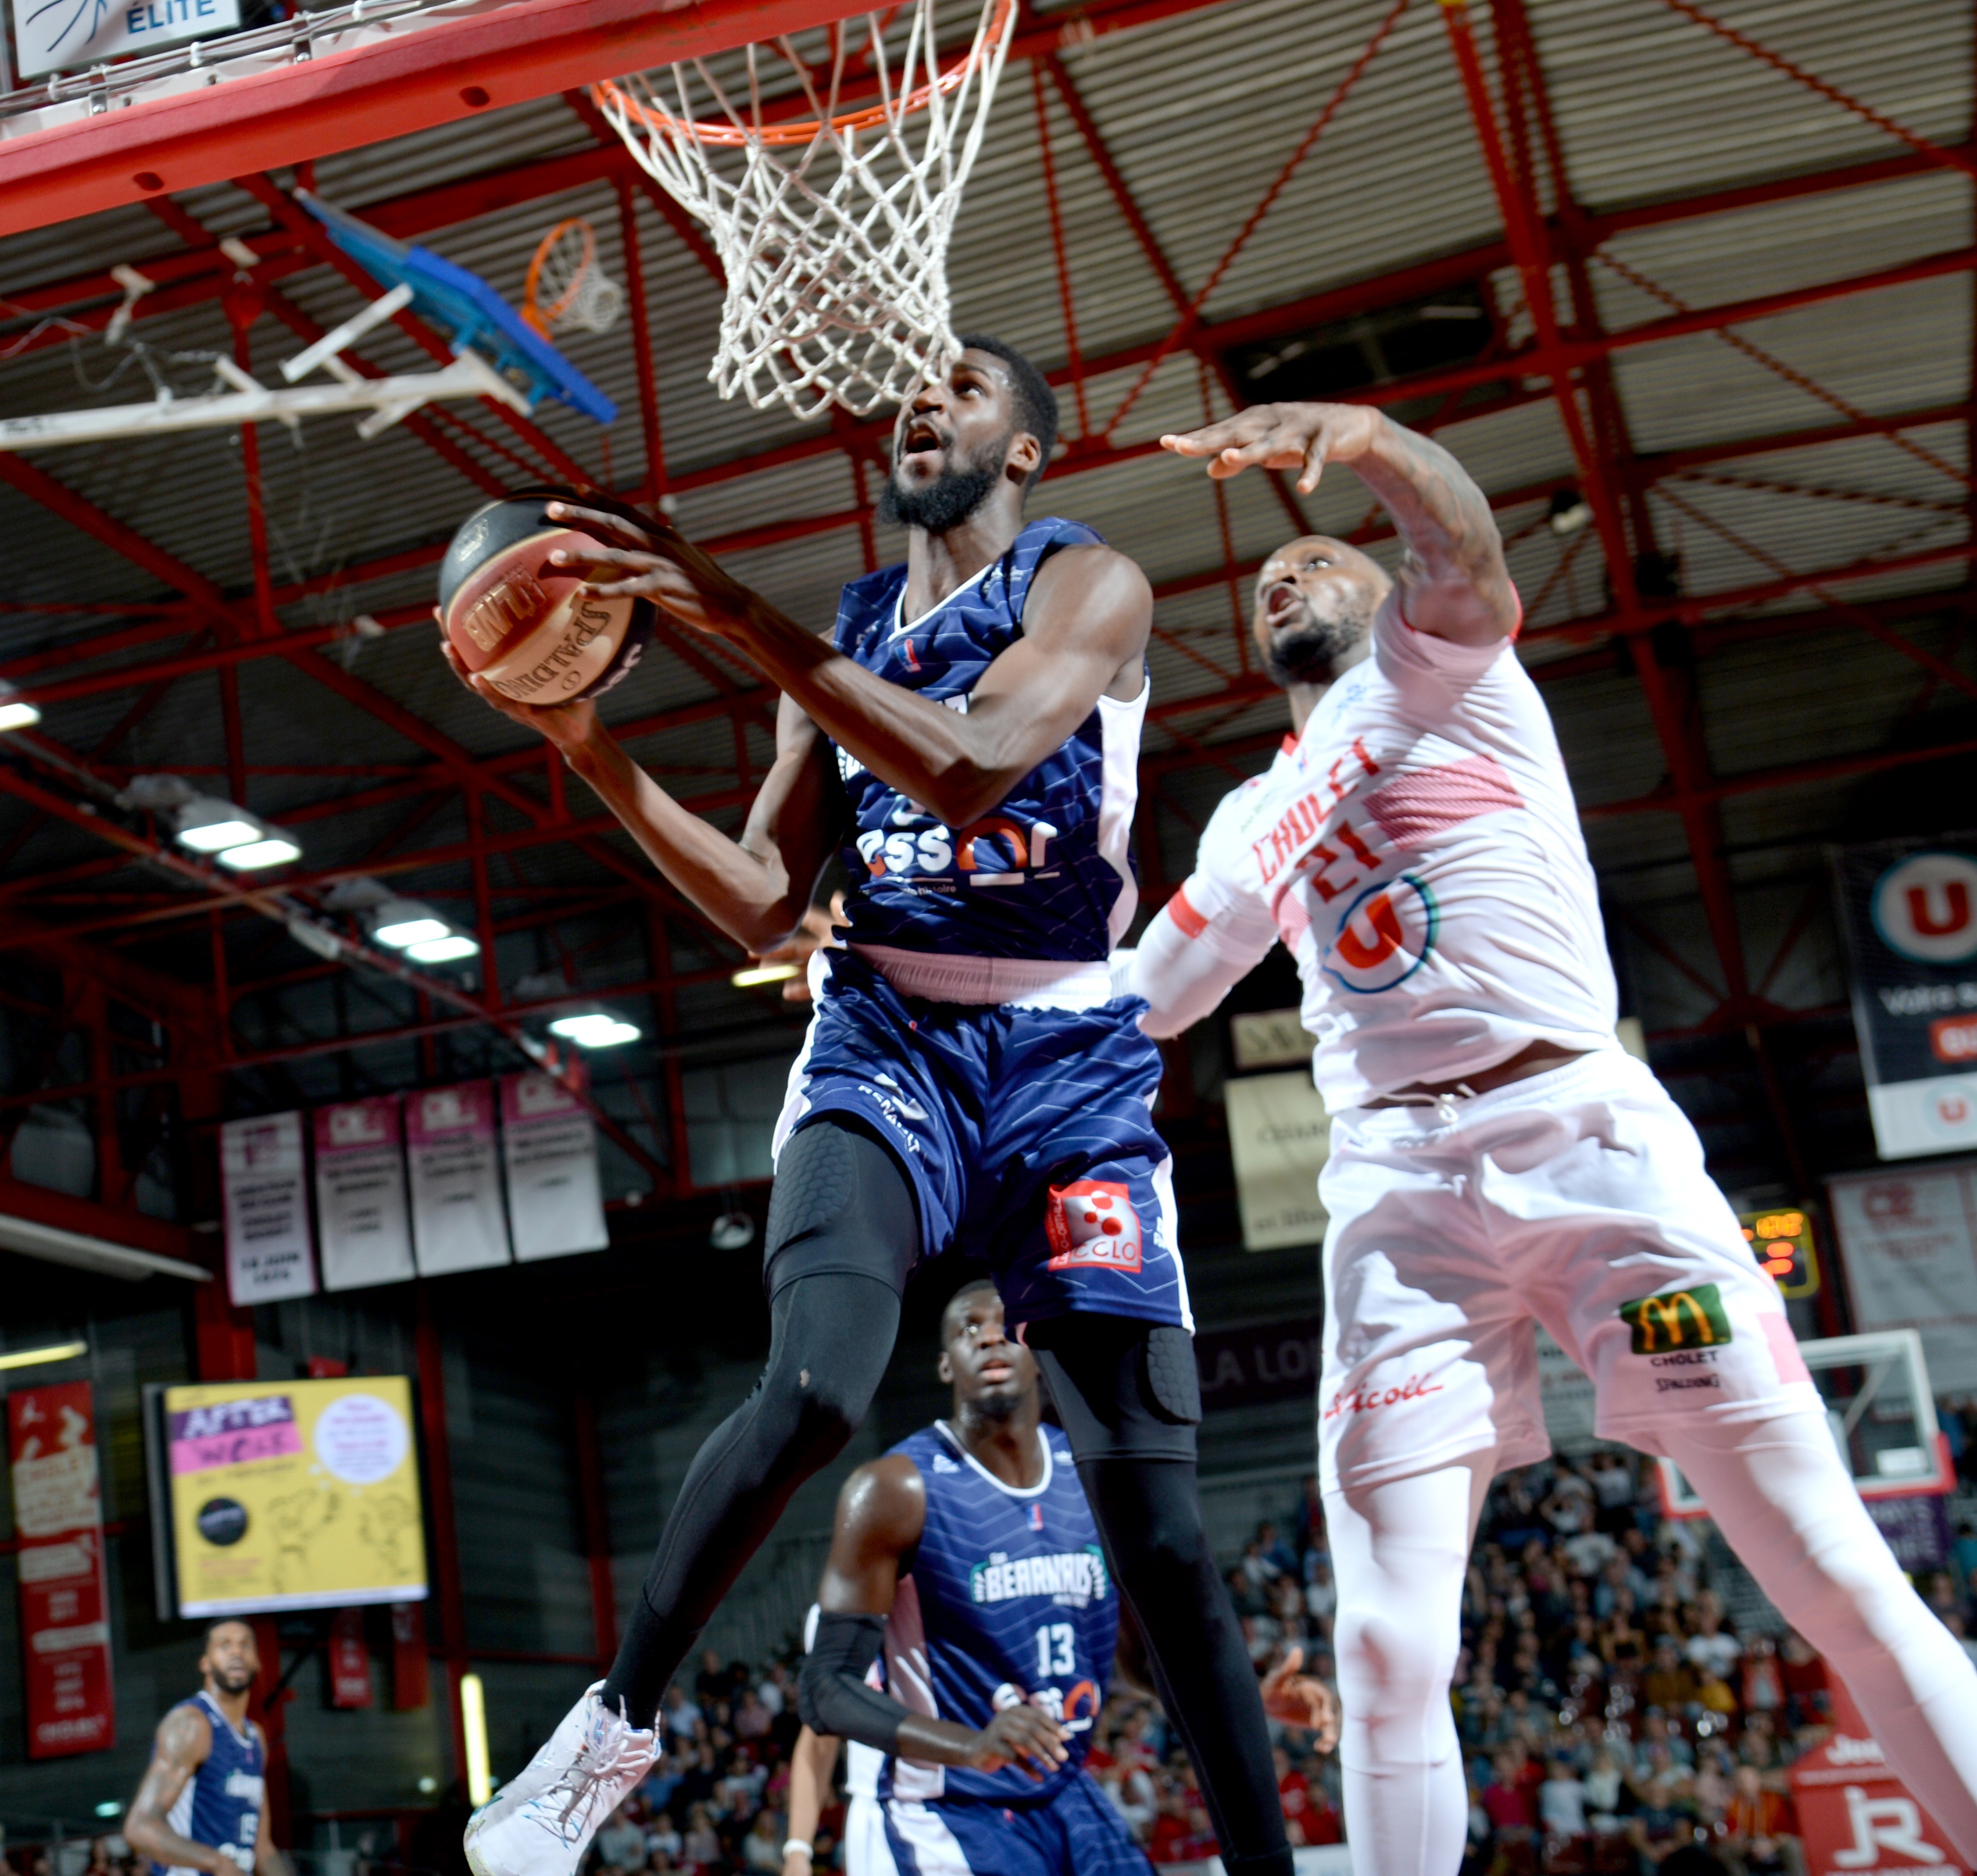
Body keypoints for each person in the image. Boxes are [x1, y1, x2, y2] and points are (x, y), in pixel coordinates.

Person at [457, 342, 1294, 1876]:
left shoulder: (1086, 586)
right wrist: (591, 745)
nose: (926, 398)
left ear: (1026, 451)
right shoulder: (844, 629)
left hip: (1064, 1062)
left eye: (968, 386)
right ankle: (606, 1734)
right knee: (823, 1387)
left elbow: (974, 769)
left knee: (1164, 1537)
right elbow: (768, 902)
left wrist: (726, 610)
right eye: (915, 386)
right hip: (887, 1037)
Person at [1133, 398, 1977, 1873]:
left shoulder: (1444, 665)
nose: (1280, 576)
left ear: (1387, 595)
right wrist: (943, 990)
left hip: (1580, 1143)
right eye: (1262, 580)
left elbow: (1454, 536)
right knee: (1386, 1647)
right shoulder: (1252, 814)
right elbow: (1143, 998)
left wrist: (1369, 437)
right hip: (1394, 1199)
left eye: (1317, 557)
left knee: (1835, 1577)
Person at [793, 1278, 1337, 1876]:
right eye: (967, 1328)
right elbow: (824, 1690)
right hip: (947, 1806)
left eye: (1004, 1323)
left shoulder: (1093, 1478)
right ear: (946, 1365)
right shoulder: (894, 1489)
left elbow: (1138, 1655)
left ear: (1036, 1344)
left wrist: (1239, 1700)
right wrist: (969, 1744)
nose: (990, 1336)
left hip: (1064, 1793)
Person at [126, 1619, 286, 1876]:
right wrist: (217, 1862)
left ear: (258, 1661)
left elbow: (263, 1848)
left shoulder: (256, 1737)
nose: (237, 1652)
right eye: (225, 1646)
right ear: (205, 1663)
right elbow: (140, 1827)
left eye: (245, 1645)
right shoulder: (191, 1724)